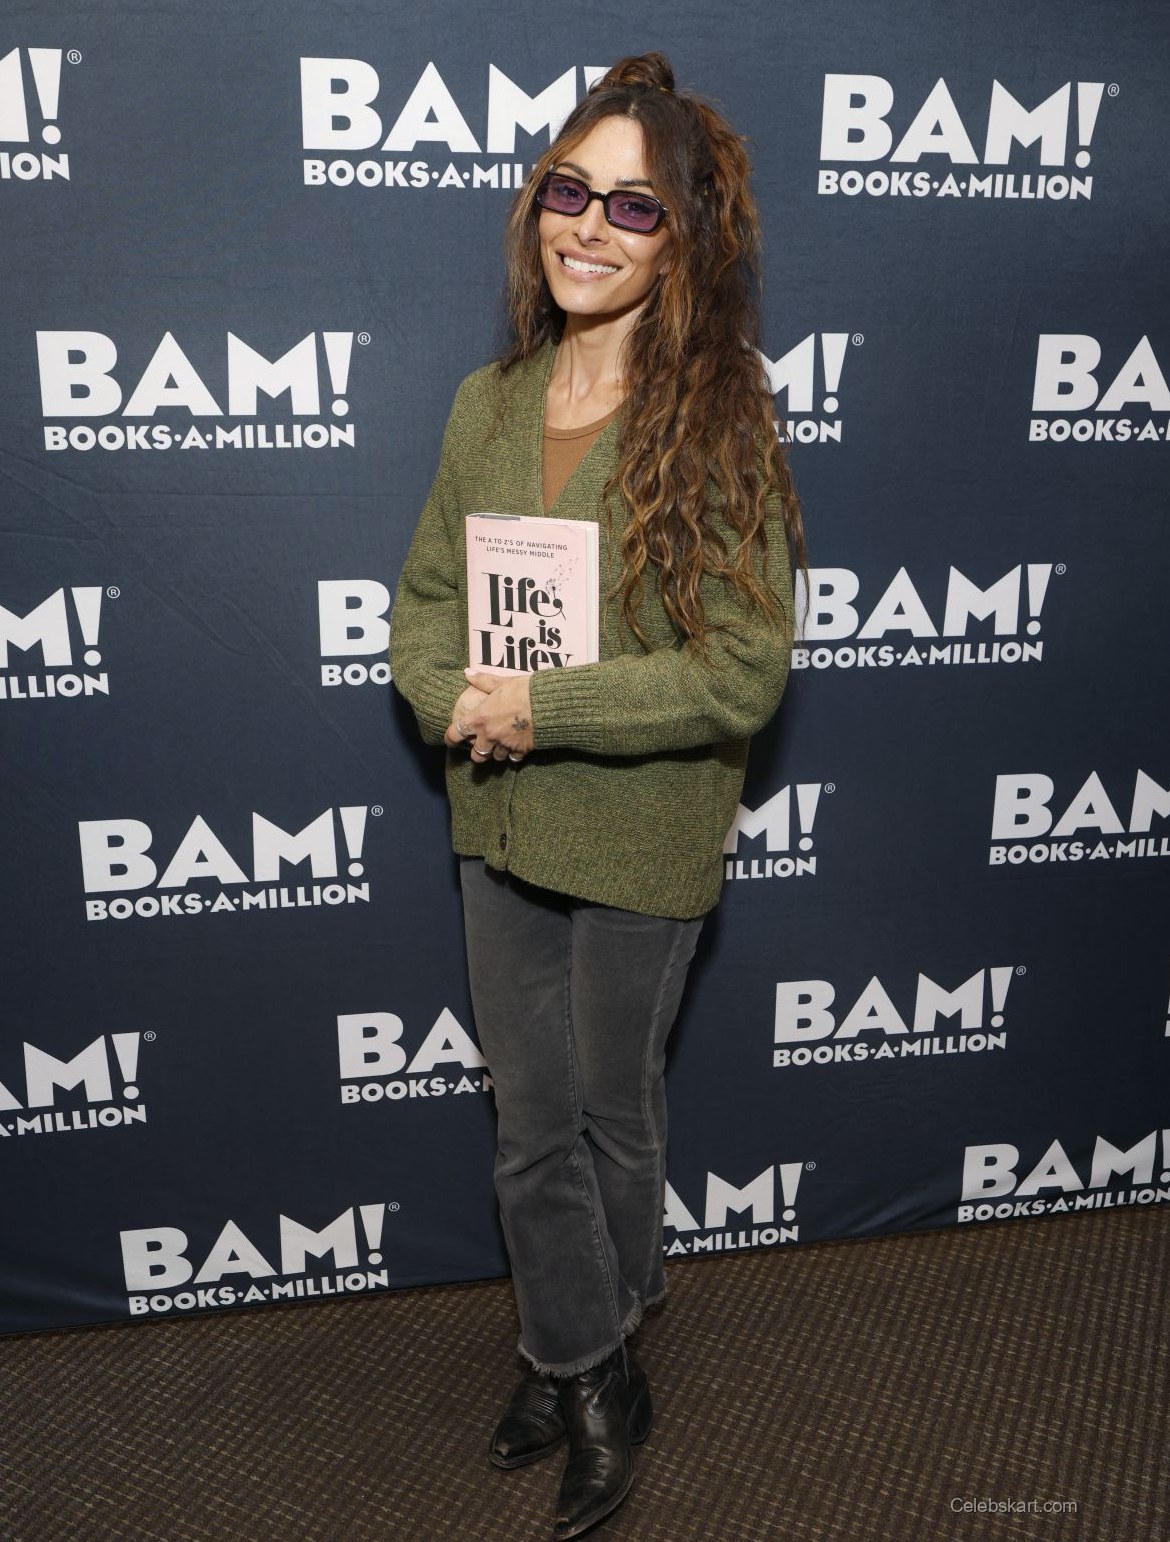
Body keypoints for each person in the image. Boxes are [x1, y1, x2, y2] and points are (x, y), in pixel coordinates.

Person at [390, 50, 806, 1541]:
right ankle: (587, 1365)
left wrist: (540, 704)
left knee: (614, 1115)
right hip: (501, 819)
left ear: (681, 239)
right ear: (537, 204)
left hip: (642, 829)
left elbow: (741, 672)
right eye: (570, 191)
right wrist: (450, 695)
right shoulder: (486, 402)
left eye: (634, 206)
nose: (590, 227)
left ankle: (582, 1343)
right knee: (530, 1122)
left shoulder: (723, 421)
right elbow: (426, 601)